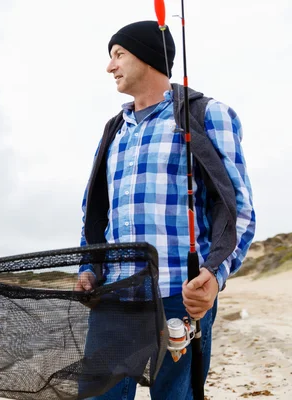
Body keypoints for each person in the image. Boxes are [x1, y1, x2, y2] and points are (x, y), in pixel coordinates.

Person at [77, 21, 255, 399]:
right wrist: (89, 267)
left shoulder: (209, 115)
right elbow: (95, 212)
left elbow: (237, 207)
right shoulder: (114, 130)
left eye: (118, 54)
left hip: (179, 295)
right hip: (114, 296)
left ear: (148, 56)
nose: (110, 67)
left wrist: (215, 275)